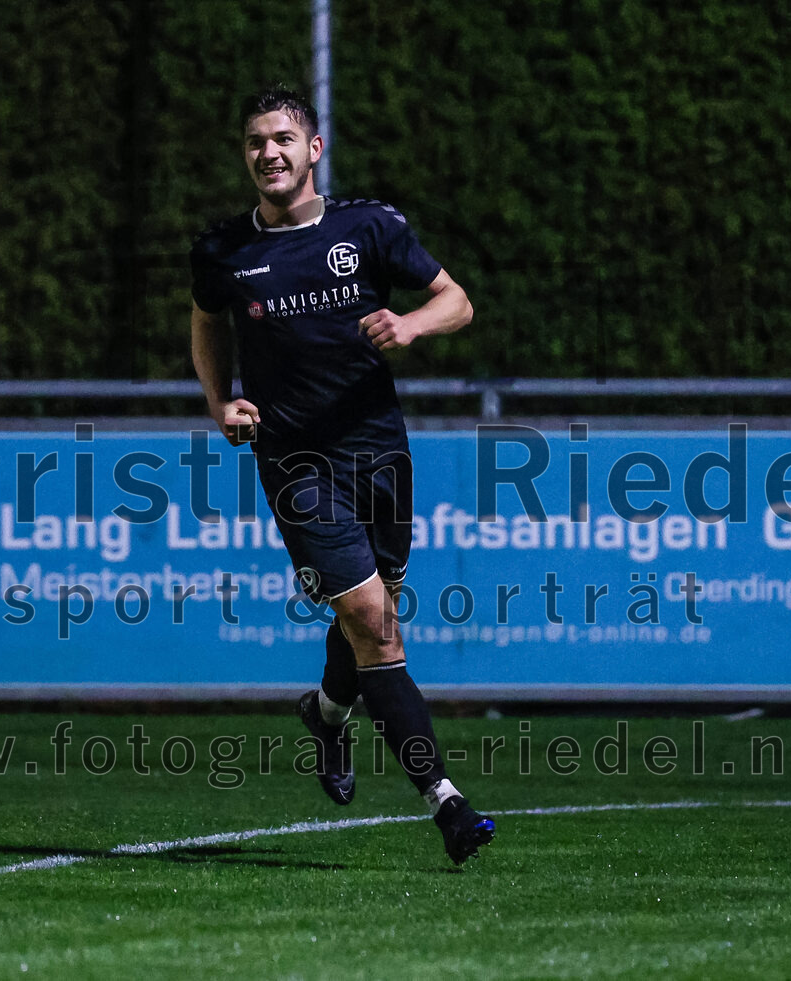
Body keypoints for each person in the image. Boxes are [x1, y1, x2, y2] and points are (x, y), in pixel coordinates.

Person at [189, 85, 494, 864]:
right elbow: (206, 322)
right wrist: (221, 402)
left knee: (375, 612)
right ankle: (448, 804)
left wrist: (410, 323)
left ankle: (326, 712)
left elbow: (456, 300)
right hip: (294, 460)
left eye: (284, 138)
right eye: (257, 141)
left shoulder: (369, 227)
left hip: (379, 451)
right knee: (372, 620)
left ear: (313, 149)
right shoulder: (224, 250)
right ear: (246, 155)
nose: (270, 153)